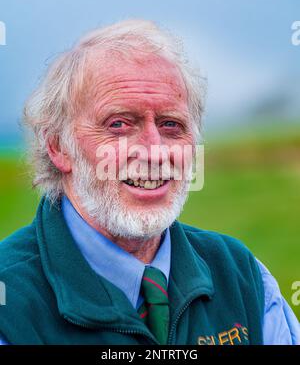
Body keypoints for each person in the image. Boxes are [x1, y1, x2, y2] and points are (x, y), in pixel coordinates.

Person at [0, 20, 299, 345]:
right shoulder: (10, 303)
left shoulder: (244, 277)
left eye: (172, 124)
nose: (155, 152)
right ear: (58, 146)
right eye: (118, 124)